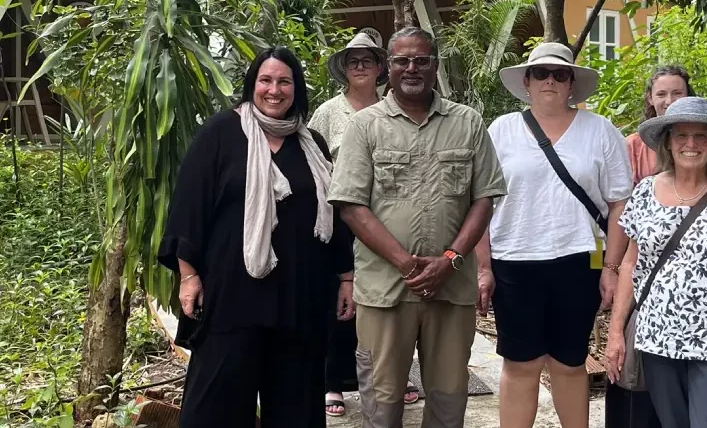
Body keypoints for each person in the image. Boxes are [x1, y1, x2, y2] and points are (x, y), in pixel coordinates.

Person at [158, 47, 353, 428]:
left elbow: (334, 215)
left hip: (299, 301)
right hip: (232, 299)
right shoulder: (221, 133)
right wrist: (189, 275)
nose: (274, 90)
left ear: (296, 88)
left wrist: (346, 277)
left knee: (295, 412)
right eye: (266, 80)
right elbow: (188, 207)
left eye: (284, 81)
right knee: (214, 411)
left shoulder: (311, 142)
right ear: (252, 85)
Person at [328, 27, 507, 428]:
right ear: (387, 68)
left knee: (448, 399)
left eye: (421, 60)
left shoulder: (468, 123)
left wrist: (451, 259)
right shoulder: (365, 126)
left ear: (435, 66)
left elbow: (484, 198)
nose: (412, 68)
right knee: (383, 400)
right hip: (385, 289)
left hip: (451, 288)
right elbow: (351, 206)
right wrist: (408, 265)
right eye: (402, 60)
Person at [478, 42, 632, 428]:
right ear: (526, 81)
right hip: (514, 260)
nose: (550, 80)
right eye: (541, 73)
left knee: (569, 361)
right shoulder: (502, 130)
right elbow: (480, 201)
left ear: (571, 84)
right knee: (520, 363)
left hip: (580, 259)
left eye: (560, 74)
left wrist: (611, 268)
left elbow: (619, 204)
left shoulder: (600, 131)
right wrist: (483, 267)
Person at [606, 97, 707, 428]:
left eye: (701, 136)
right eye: (681, 135)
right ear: (668, 142)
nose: (690, 144)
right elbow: (629, 266)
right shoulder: (645, 192)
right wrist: (616, 332)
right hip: (658, 338)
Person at [308, 33, 420, 417]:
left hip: (390, 217)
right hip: (341, 218)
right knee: (342, 299)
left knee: (393, 300)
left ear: (380, 68)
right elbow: (311, 158)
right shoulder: (328, 112)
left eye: (367, 60)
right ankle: (334, 382)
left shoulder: (397, 107)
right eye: (353, 61)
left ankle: (397, 375)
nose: (360, 66)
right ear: (345, 68)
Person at [626, 65, 695, 185]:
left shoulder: (703, 141)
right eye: (661, 94)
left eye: (677, 93)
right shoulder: (633, 145)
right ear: (650, 98)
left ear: (688, 96)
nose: (669, 101)